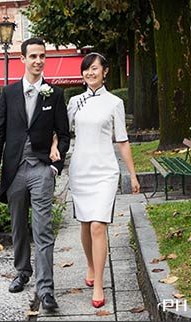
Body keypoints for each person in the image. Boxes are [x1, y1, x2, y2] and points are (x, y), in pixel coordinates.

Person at [51, 52, 140, 309]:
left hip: (105, 172)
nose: (90, 73)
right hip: (80, 169)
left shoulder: (114, 103)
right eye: (86, 69)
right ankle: (90, 264)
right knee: (85, 223)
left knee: (98, 225)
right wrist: (54, 145)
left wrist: (132, 175)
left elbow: (122, 140)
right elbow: (62, 130)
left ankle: (100, 282)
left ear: (105, 71)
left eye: (94, 69)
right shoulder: (75, 101)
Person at [0, 37, 70, 311]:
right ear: (22, 59)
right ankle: (22, 271)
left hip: (41, 170)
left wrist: (54, 167)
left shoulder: (55, 94)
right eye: (33, 56)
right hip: (14, 170)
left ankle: (46, 290)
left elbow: (65, 134)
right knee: (18, 226)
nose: (38, 61)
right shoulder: (9, 94)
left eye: (42, 56)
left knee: (43, 229)